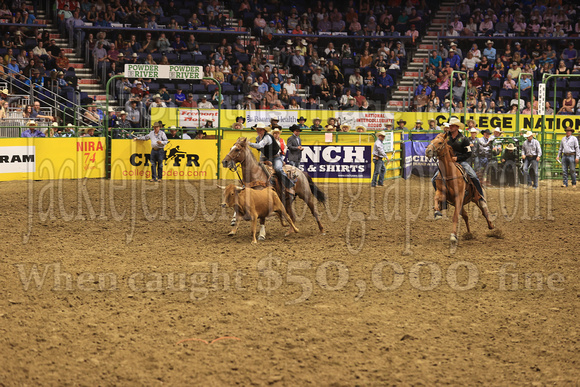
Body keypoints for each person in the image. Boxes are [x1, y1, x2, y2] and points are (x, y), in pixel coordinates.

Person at [432, 118, 485, 202]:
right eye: (450, 126)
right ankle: (442, 198)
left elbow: (468, 153)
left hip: (461, 162)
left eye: (452, 126)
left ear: (457, 127)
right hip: (447, 163)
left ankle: (480, 196)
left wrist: (457, 158)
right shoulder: (445, 137)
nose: (450, 127)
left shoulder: (464, 139)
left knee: (474, 177)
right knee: (434, 179)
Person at [249, 122, 294, 189]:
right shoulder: (258, 138)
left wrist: (248, 143)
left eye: (260, 130)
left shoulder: (267, 137)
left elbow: (259, 146)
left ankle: (289, 184)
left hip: (276, 157)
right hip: (265, 158)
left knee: (278, 169)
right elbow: (261, 149)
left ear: (264, 130)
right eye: (257, 129)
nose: (258, 131)